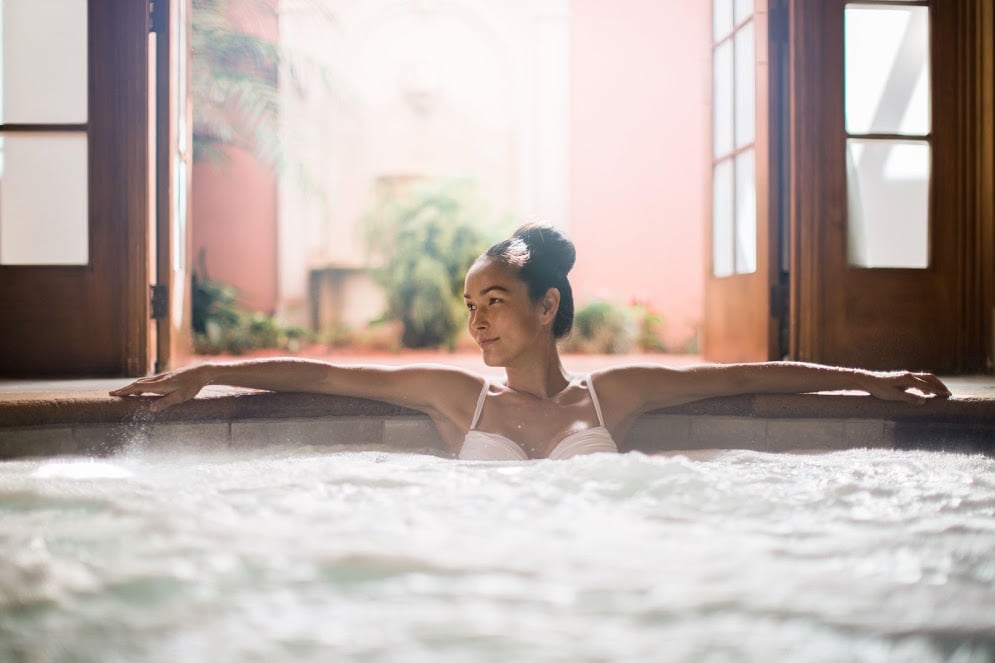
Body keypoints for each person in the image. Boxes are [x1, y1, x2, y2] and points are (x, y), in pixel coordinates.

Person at [111, 223, 952, 460]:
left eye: (496, 299)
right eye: (470, 301)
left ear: (547, 306)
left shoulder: (613, 395)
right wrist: (209, 373)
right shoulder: (455, 396)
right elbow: (329, 376)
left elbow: (737, 375)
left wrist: (869, 378)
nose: (476, 318)